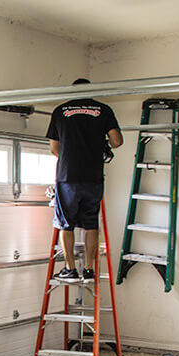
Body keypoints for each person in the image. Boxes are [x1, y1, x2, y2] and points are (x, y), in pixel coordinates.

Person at [46, 78, 123, 283]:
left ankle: (70, 269)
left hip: (68, 176)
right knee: (91, 224)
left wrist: (72, 156)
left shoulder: (60, 111)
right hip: (93, 177)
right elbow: (116, 141)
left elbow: (55, 149)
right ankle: (89, 270)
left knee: (66, 224)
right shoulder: (104, 110)